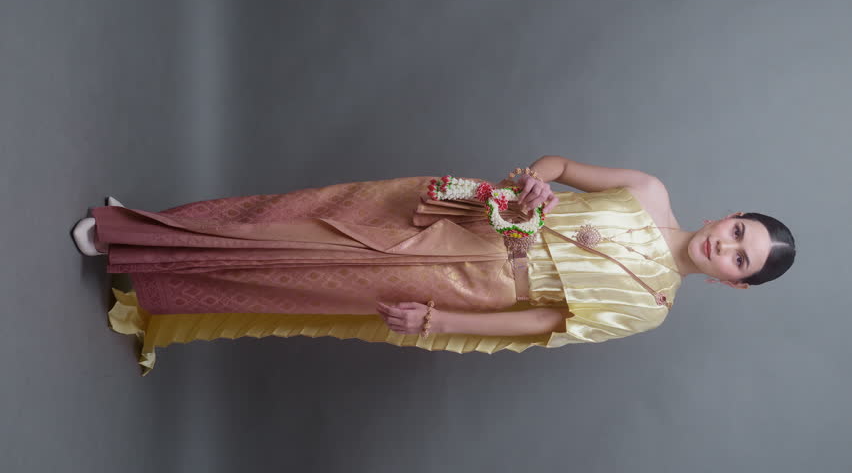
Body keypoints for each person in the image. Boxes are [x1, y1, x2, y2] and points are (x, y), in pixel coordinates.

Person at [70, 156, 795, 375]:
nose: (727, 246)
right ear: (723, 215)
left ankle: (151, 276)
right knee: (301, 217)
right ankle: (142, 229)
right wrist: (533, 185)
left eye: (741, 258)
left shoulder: (650, 310)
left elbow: (542, 321)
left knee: (293, 277)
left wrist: (435, 319)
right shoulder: (647, 192)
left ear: (733, 284)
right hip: (463, 218)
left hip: (466, 284)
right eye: (738, 231)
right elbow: (558, 164)